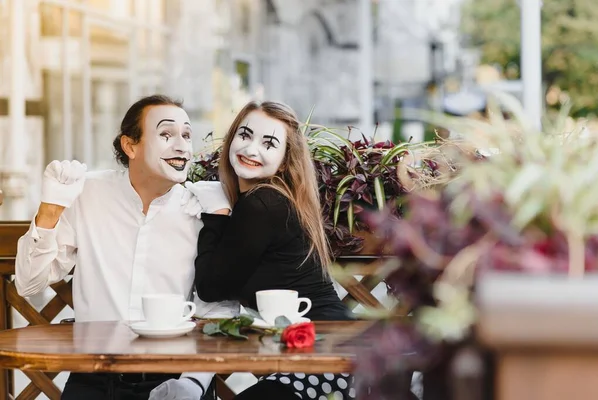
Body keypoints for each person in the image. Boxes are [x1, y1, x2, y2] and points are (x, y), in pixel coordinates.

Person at [15, 94, 233, 400]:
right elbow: (28, 284)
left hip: (175, 374)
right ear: (130, 146)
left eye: (186, 135)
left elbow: (219, 309)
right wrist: (50, 210)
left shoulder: (201, 211)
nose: (182, 145)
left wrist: (193, 382)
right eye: (166, 134)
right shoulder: (87, 193)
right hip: (94, 374)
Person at [188, 100, 356, 399]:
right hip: (322, 353)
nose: (251, 149)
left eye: (269, 143)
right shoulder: (272, 199)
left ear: (283, 160)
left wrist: (216, 215)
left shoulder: (263, 203)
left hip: (325, 359)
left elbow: (210, 287)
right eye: (245, 135)